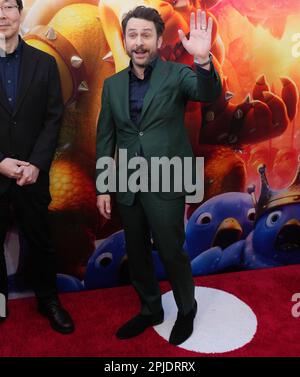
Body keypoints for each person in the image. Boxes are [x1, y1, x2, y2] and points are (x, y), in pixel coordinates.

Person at [96, 5, 221, 345]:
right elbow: (106, 136)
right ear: (124, 40)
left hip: (169, 177)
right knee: (135, 251)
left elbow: (209, 94)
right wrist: (104, 186)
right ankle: (151, 308)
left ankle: (186, 308)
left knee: (171, 250)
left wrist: (203, 60)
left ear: (158, 40)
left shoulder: (177, 76)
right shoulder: (111, 86)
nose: (139, 42)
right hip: (127, 182)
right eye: (133, 35)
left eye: (146, 35)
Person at [0, 0, 74, 334]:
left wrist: (36, 164)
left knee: (42, 242)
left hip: (33, 174)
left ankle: (49, 301)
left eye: (8, 8)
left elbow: (53, 117)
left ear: (19, 12)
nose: (2, 15)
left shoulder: (44, 63)